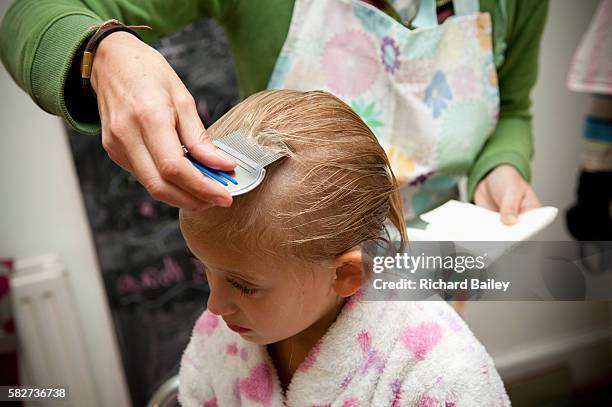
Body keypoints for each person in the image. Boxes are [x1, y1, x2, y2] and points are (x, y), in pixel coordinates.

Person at [0, 0, 547, 225]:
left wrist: (501, 165)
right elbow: (29, 16)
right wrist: (106, 51)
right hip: (285, 282)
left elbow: (514, 108)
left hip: (428, 277)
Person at [177, 89, 509, 406]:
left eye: (243, 287)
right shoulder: (220, 338)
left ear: (346, 274)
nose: (214, 305)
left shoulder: (439, 372)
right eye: (205, 268)